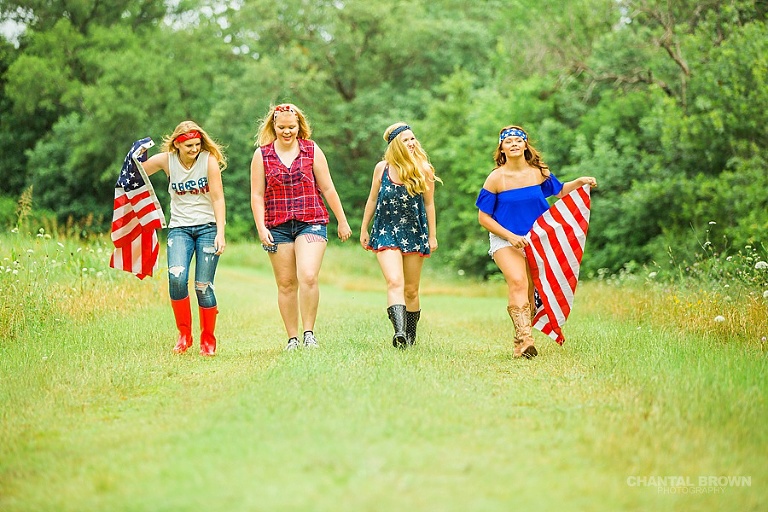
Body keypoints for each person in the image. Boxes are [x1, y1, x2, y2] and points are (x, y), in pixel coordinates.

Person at [476, 125, 596, 359]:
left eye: (518, 140)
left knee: (531, 291)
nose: (513, 143)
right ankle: (526, 340)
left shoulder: (539, 172)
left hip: (537, 239)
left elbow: (560, 191)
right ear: (501, 148)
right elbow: (484, 218)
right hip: (505, 239)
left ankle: (520, 342)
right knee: (518, 281)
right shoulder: (496, 178)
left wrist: (579, 181)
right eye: (508, 141)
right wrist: (510, 236)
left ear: (525, 145)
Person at [250, 103, 352, 351]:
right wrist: (261, 227)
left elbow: (327, 187)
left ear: (299, 126)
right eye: (282, 127)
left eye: (291, 127)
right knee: (286, 284)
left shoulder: (311, 150)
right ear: (274, 126)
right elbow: (257, 195)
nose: (287, 132)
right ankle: (292, 338)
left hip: (311, 221)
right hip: (277, 225)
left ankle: (309, 334)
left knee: (307, 275)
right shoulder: (262, 155)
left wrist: (342, 220)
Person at [139, 120, 227, 356]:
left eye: (197, 144)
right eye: (189, 145)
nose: (194, 149)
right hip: (180, 229)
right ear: (177, 144)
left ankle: (208, 340)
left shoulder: (208, 161)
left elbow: (218, 198)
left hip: (208, 228)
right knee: (177, 279)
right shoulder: (167, 160)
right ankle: (184, 335)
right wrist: (139, 153)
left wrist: (220, 232)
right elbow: (138, 171)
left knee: (203, 286)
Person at [360, 122, 440, 349]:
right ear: (395, 145)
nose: (412, 143)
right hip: (385, 231)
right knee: (394, 281)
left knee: (411, 290)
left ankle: (410, 337)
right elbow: (372, 199)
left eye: (413, 138)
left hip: (414, 232)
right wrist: (364, 228)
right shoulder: (382, 169)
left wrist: (432, 236)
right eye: (406, 140)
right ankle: (400, 333)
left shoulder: (424, 170)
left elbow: (429, 204)